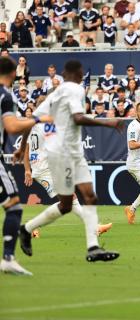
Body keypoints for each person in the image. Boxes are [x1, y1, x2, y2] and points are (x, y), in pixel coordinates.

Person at [15, 60, 123, 264]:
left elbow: (31, 121)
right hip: (61, 154)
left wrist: (21, 149)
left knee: (86, 198)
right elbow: (78, 118)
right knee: (69, 203)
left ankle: (92, 248)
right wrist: (108, 122)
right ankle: (27, 228)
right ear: (78, 73)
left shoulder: (53, 95)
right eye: (82, 71)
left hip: (72, 153)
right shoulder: (75, 89)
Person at [21, 114, 113, 241]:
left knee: (70, 200)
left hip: (46, 168)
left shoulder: (31, 127)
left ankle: (30, 227)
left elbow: (25, 150)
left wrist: (27, 170)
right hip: (44, 169)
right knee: (69, 200)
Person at [0, 57, 53, 275]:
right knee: (14, 206)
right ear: (14, 73)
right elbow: (12, 126)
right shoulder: (5, 95)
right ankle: (8, 259)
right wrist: (40, 119)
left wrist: (21, 149)